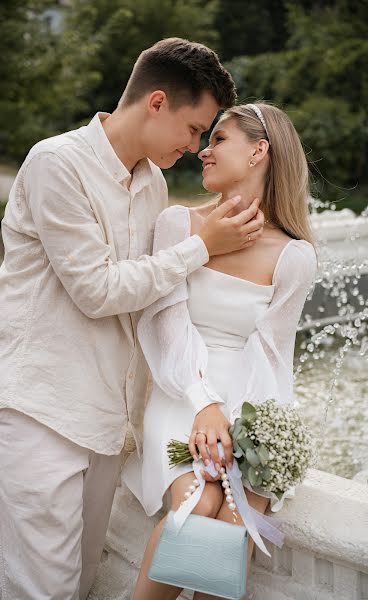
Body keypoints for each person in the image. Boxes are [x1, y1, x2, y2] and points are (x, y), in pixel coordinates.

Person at [0, 38, 266, 600]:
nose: (194, 146)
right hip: (39, 408)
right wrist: (201, 245)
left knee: (81, 584)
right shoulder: (57, 162)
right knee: (44, 592)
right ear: (156, 102)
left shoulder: (150, 183)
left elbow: (151, 289)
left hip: (105, 421)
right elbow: (96, 289)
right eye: (192, 128)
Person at [122, 102, 317, 600]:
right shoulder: (179, 225)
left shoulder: (294, 256)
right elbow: (165, 325)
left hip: (246, 403)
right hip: (181, 392)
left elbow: (273, 357)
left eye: (220, 139)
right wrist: (204, 404)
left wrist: (249, 433)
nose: (203, 150)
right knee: (196, 503)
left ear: (259, 151)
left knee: (235, 517)